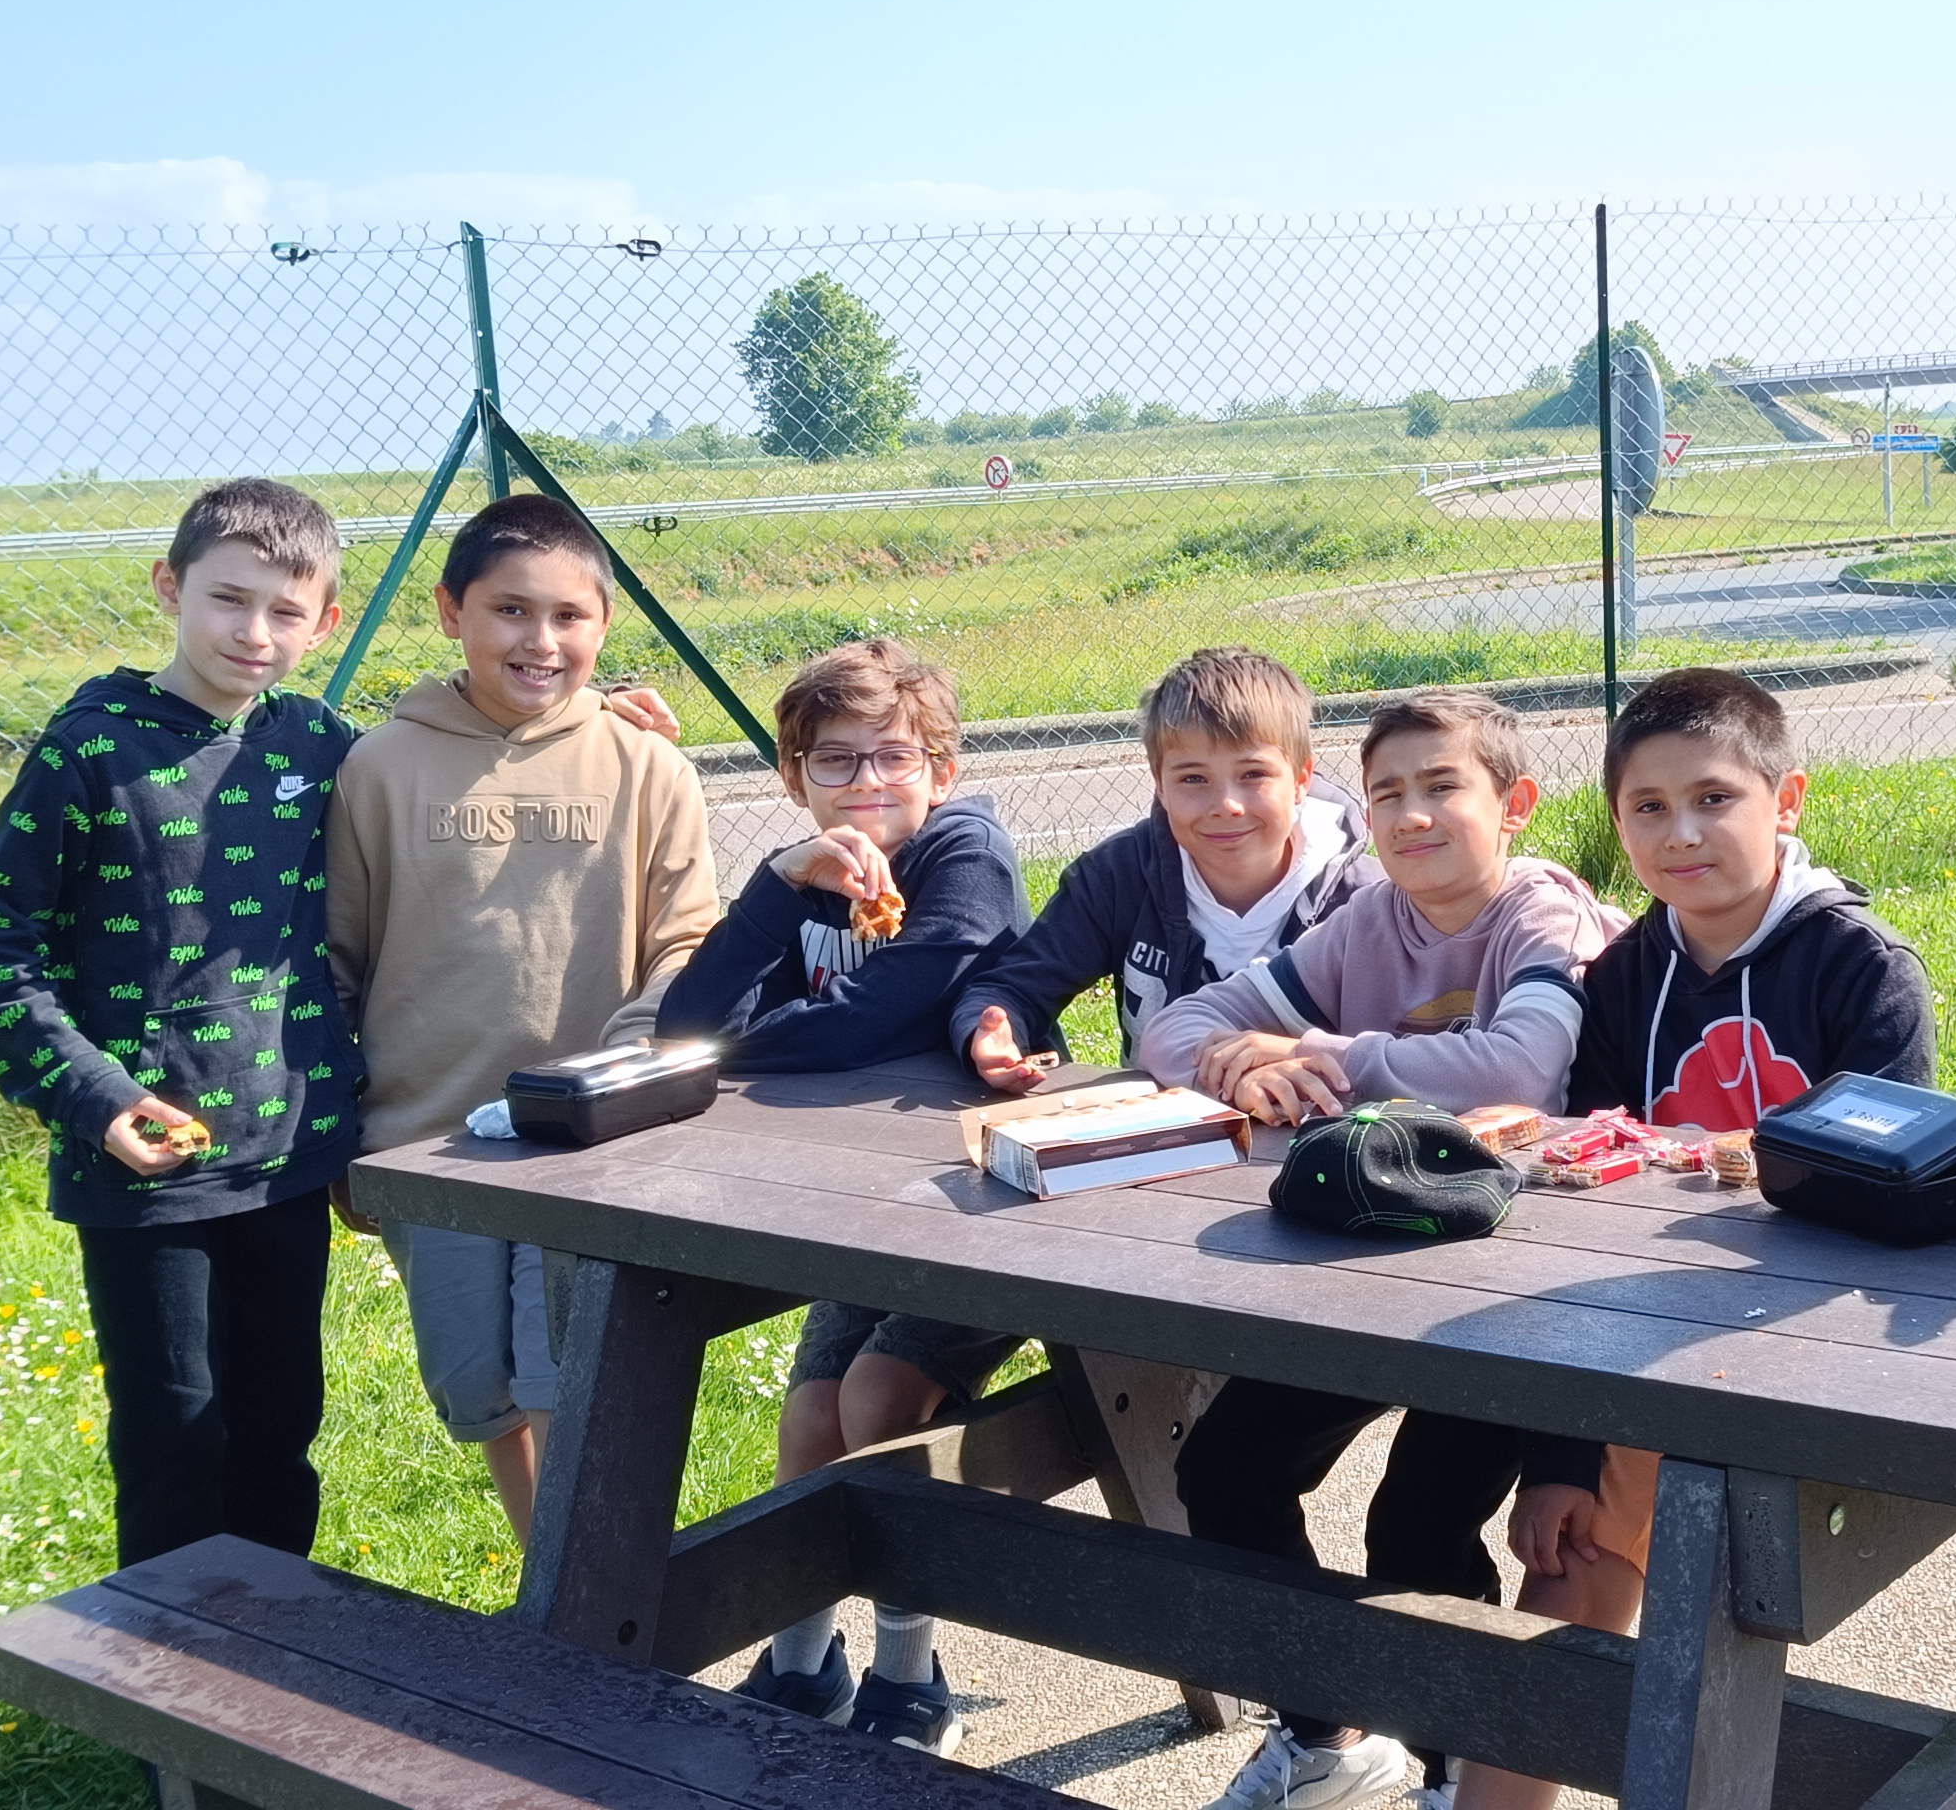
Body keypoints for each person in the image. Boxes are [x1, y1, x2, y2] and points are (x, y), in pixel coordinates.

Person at [1454, 665, 1939, 1810]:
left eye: (1714, 798)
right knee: (1568, 1557)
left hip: (1811, 1358)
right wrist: (1558, 1456)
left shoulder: (1865, 969)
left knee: (1699, 1616)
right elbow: (1575, 1228)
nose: (1681, 833)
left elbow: (1891, 1200)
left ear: (1787, 799)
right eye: (1649, 807)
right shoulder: (1622, 978)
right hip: (1653, 1352)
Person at [1140, 690, 1629, 1810]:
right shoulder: (1370, 922)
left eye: (1441, 787)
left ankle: (1453, 1768)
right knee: (1224, 1469)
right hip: (1365, 1274)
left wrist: (1321, 1053)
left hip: (1515, 1293)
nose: (1411, 816)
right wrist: (1237, 1063)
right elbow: (1173, 1028)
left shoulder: (1540, 913)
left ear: (1514, 803)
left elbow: (1519, 1065)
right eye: (1387, 795)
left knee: (1414, 1524)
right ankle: (1329, 1733)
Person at [0, 477, 371, 1575]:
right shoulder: (88, 751)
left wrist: (585, 723)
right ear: (169, 588)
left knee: (280, 1425)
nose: (254, 632)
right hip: (149, 1172)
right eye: (228, 599)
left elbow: (443, 777)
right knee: (175, 1440)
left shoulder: (319, 743)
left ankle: (273, 1646)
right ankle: (167, 1674)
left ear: (325, 622)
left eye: (286, 612)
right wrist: (93, 1098)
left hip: (285, 1157)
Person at [648, 635, 1031, 1756]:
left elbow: (873, 1023)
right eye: (835, 761)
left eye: (893, 757)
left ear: (941, 771)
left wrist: (742, 1046)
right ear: (793, 778)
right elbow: (686, 1025)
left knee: (877, 1397)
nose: (867, 783)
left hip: (987, 1201)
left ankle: (910, 1675)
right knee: (813, 1413)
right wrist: (775, 890)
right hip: (863, 1202)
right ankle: (802, 1656)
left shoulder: (965, 855)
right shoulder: (807, 874)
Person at [326, 492, 720, 1554]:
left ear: (604, 625)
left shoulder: (648, 765)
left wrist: (618, 1067)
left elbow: (688, 939)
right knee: (481, 1385)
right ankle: (562, 1590)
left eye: (568, 616)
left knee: (567, 1379)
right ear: (451, 610)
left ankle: (585, 1606)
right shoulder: (377, 768)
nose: (540, 641)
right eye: (510, 610)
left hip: (587, 1142)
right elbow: (339, 958)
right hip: (429, 1142)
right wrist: (341, 1139)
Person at [954, 645, 1382, 1092]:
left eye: (1253, 774)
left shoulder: (1366, 899)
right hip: (1164, 1122)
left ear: (1301, 779)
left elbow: (1404, 1050)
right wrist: (992, 1029)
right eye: (1193, 779)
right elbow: (1017, 986)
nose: (1226, 805)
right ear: (1160, 785)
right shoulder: (1118, 876)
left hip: (1323, 1124)